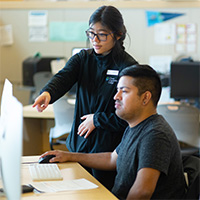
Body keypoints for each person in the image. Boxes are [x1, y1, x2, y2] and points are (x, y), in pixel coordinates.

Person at [40, 65, 186, 199]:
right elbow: (112, 159)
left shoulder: (155, 134)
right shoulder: (134, 126)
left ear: (145, 97)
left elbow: (143, 191)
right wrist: (69, 156)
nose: (116, 97)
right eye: (117, 90)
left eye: (124, 91)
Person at [33, 5, 138, 190]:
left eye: (102, 34)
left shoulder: (128, 68)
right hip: (78, 147)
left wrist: (97, 120)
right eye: (91, 33)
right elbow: (63, 77)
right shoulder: (83, 58)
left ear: (119, 34)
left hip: (108, 153)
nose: (95, 40)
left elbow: (131, 117)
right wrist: (47, 93)